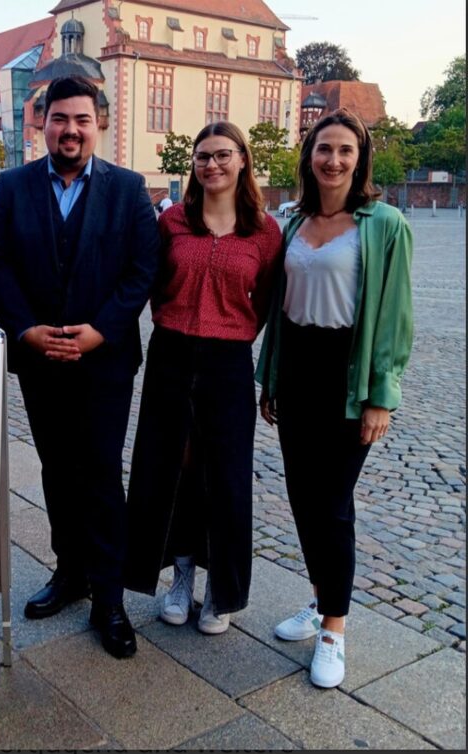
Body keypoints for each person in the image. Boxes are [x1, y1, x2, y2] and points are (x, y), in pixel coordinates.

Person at [0, 75, 160, 659]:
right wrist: (25, 328)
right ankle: (70, 572)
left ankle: (109, 597)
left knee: (102, 474)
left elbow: (141, 270)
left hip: (104, 361)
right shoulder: (12, 187)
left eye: (82, 119)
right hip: (39, 358)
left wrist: (99, 332)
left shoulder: (129, 189)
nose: (71, 130)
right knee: (57, 469)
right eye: (60, 119)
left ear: (98, 124)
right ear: (42, 123)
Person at [256, 108, 413, 688]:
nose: (334, 160)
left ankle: (334, 631)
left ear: (360, 157)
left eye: (345, 150)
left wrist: (382, 397)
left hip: (347, 378)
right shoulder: (292, 222)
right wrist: (268, 379)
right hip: (297, 373)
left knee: (332, 503)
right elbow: (279, 310)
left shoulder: (384, 224)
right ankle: (322, 598)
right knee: (302, 499)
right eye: (325, 149)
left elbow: (395, 316)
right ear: (309, 156)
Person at [125, 122, 282, 635]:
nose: (211, 165)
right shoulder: (172, 221)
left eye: (222, 155)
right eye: (201, 157)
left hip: (228, 359)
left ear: (242, 161)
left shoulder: (264, 231)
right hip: (171, 351)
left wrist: (231, 329)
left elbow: (266, 300)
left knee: (227, 476)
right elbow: (152, 284)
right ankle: (182, 570)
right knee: (171, 468)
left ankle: (221, 586)